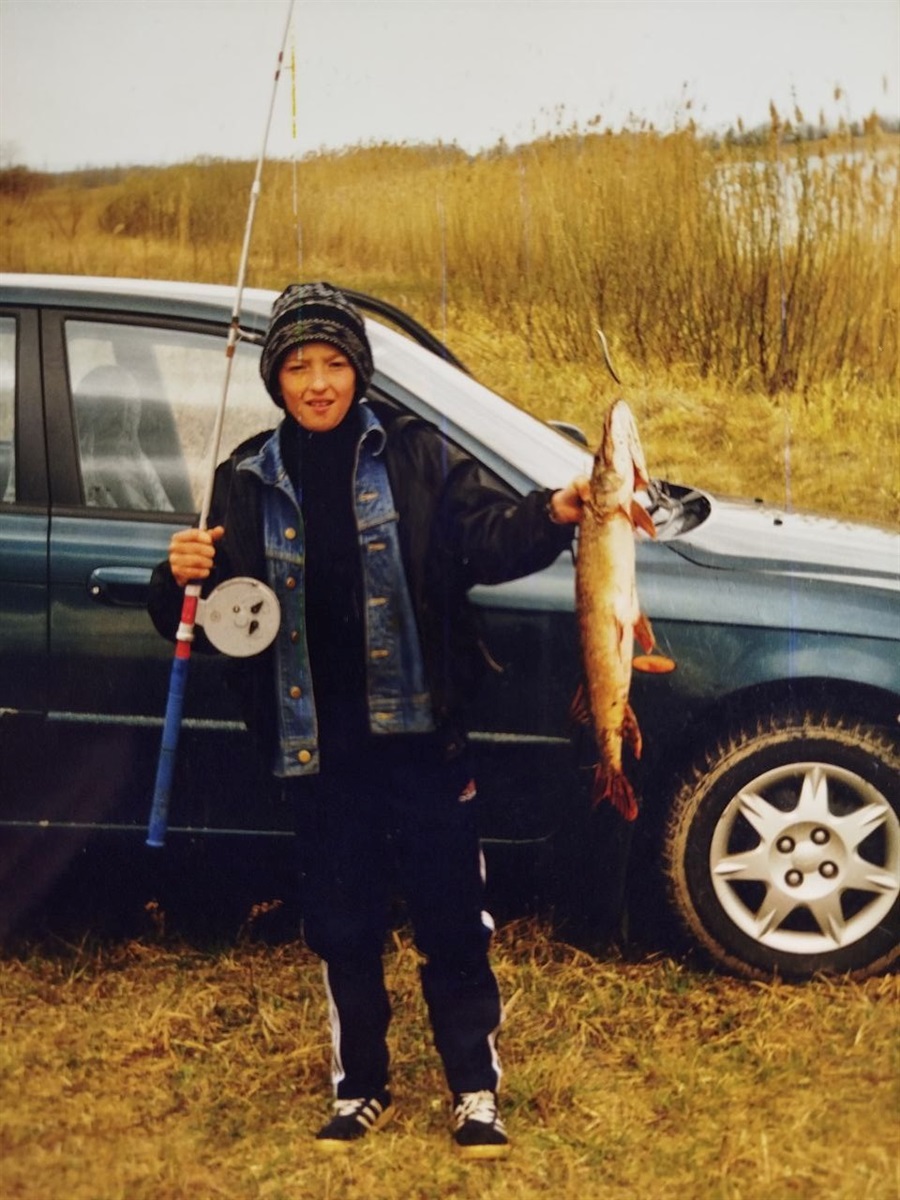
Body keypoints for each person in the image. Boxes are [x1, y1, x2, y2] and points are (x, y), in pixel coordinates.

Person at [149, 282, 586, 1160]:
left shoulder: (419, 457)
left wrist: (556, 514)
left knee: (451, 919)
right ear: (276, 378)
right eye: (299, 366)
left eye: (335, 363)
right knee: (341, 923)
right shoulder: (242, 481)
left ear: (359, 370)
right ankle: (362, 1086)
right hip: (318, 751)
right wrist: (176, 576)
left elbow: (493, 539)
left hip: (424, 742)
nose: (318, 383)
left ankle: (473, 1090)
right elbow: (207, 619)